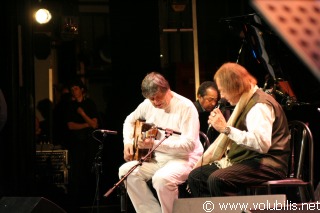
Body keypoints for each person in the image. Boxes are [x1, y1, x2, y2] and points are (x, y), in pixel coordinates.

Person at [187, 62, 291, 197]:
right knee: (196, 177)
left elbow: (261, 144)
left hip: (268, 162)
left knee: (218, 179)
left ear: (234, 88)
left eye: (223, 90)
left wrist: (226, 129)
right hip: (249, 159)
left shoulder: (259, 106)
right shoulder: (244, 102)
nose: (222, 96)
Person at [118, 71, 203, 213]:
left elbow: (189, 146)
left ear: (167, 90)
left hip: (184, 159)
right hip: (158, 160)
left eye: (158, 98)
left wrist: (154, 145)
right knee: (126, 171)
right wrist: (127, 142)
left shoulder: (186, 107)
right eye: (152, 99)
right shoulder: (147, 104)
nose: (156, 102)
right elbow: (129, 120)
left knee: (161, 179)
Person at [64, 78, 99, 210]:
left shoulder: (89, 104)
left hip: (89, 143)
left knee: (89, 169)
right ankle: (77, 202)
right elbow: (71, 126)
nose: (74, 91)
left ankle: (90, 200)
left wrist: (83, 114)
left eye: (76, 88)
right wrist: (86, 124)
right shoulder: (70, 106)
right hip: (76, 144)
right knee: (77, 172)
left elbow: (95, 124)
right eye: (72, 89)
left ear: (82, 90)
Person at [194, 81, 221, 146]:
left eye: (215, 100)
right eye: (210, 100)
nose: (213, 103)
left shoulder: (213, 111)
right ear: (199, 96)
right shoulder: (193, 110)